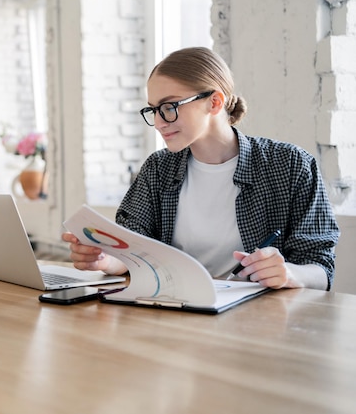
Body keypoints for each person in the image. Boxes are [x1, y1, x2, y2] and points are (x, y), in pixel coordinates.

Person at [62, 47, 339, 291]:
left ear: (214, 102)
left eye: (169, 107)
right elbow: (132, 251)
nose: (159, 123)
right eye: (153, 110)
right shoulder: (158, 169)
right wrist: (103, 259)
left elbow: (321, 268)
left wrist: (289, 274)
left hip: (260, 321)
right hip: (173, 312)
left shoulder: (290, 165)